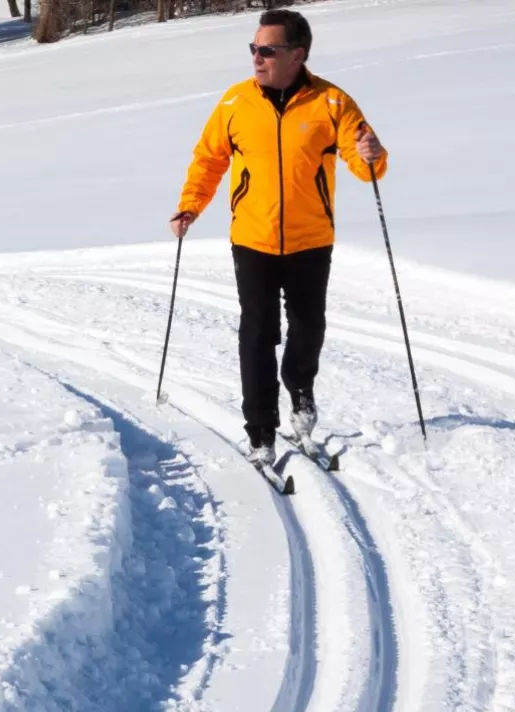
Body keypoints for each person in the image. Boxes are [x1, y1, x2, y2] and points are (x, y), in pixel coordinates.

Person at [169, 9, 387, 466]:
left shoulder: (331, 103)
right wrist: (190, 205)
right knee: (257, 332)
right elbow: (209, 160)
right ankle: (261, 430)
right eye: (253, 48)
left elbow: (363, 157)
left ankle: (300, 389)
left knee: (309, 329)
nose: (257, 58)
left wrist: (372, 153)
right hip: (253, 239)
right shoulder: (235, 104)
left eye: (267, 50)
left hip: (311, 239)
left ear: (297, 54)